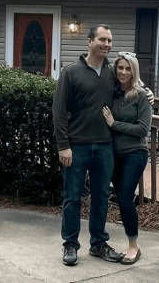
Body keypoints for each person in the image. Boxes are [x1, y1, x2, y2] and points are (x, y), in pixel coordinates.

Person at [53, 24, 123, 266]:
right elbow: (59, 111)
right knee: (72, 197)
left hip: (104, 146)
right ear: (89, 42)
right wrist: (63, 145)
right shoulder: (71, 72)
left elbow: (131, 87)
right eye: (102, 40)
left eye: (110, 41)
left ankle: (98, 244)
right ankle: (70, 244)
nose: (107, 45)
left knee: (101, 197)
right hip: (77, 146)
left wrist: (147, 95)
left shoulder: (113, 73)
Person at [101, 51, 152, 265]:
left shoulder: (142, 95)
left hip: (135, 153)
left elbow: (143, 129)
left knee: (124, 198)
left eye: (127, 68)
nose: (123, 72)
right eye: (120, 67)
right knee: (117, 197)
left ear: (134, 70)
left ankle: (133, 246)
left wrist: (114, 124)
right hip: (114, 154)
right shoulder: (112, 92)